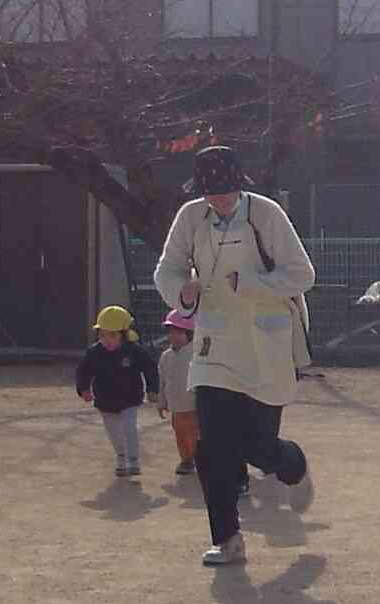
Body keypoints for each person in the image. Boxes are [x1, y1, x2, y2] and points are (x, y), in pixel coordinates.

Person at [154, 144, 318, 566]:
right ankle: (226, 538)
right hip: (213, 345)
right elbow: (166, 271)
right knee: (212, 447)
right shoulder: (190, 217)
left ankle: (292, 464)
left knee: (259, 446)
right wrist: (182, 293)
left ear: (239, 185)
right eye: (212, 193)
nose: (220, 201)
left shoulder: (265, 214)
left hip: (266, 343)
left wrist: (249, 283)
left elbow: (302, 274)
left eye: (226, 192)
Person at [76, 306, 161, 478]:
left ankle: (133, 460)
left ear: (123, 334)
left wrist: (152, 390)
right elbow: (83, 371)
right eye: (103, 335)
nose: (107, 340)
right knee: (114, 433)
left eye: (112, 335)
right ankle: (121, 456)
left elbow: (150, 368)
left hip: (130, 399)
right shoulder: (94, 353)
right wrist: (83, 389)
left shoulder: (134, 351)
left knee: (130, 429)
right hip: (105, 402)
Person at [155, 310, 200, 475]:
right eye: (171, 332)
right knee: (180, 435)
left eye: (179, 331)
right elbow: (163, 381)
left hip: (193, 406)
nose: (174, 336)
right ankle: (186, 460)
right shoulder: (166, 357)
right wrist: (162, 401)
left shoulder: (197, 354)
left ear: (189, 333)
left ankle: (198, 460)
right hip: (176, 407)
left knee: (195, 436)